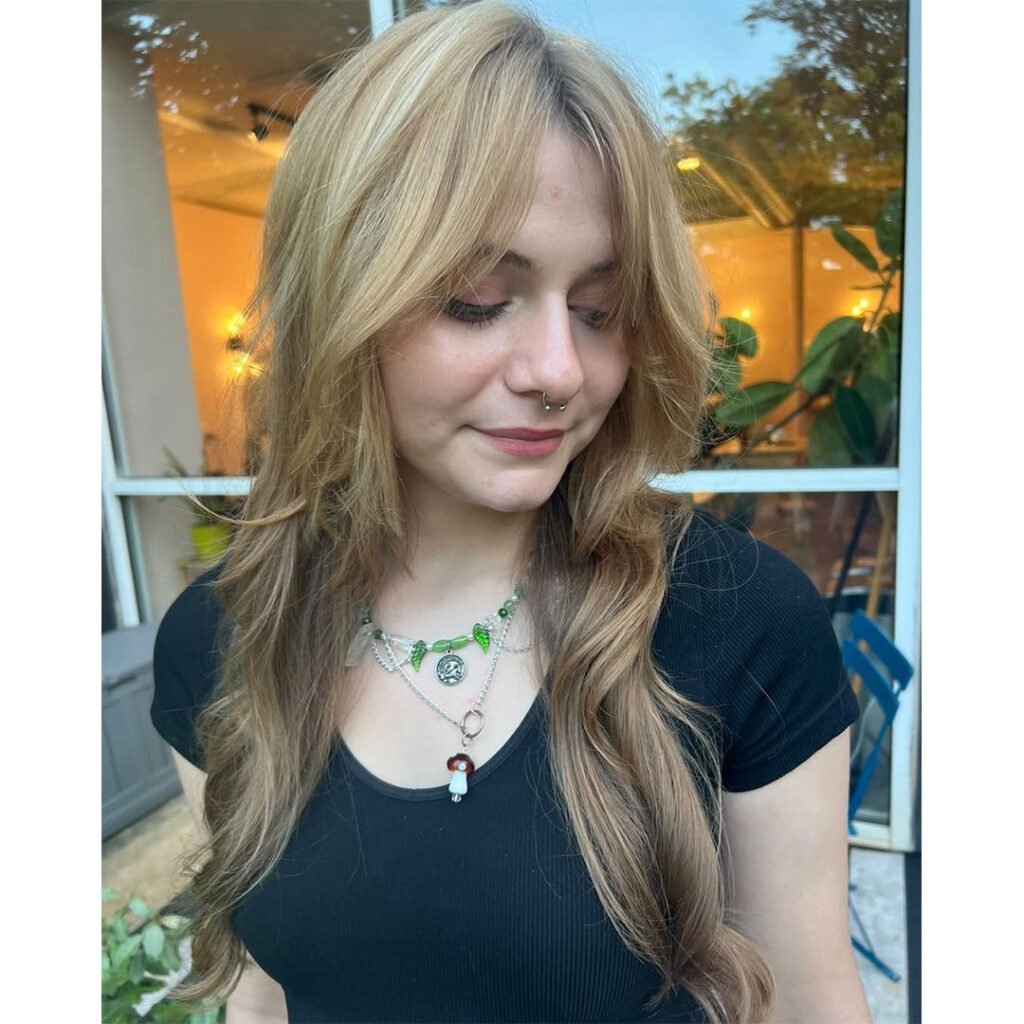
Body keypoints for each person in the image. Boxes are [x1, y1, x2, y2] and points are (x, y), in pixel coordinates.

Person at [151, 3, 870, 1022]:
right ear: (338, 301)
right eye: (478, 300)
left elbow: (807, 1002)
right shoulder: (223, 639)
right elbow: (265, 990)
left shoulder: (736, 620)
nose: (559, 370)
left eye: (600, 310)